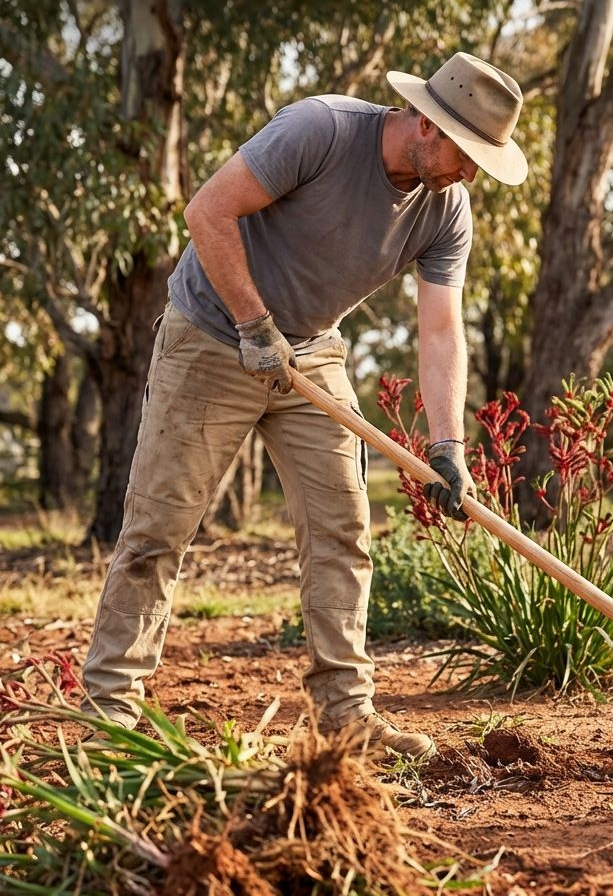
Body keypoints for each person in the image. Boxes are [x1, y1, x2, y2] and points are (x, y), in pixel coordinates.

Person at [80, 52, 528, 759]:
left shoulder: (447, 210)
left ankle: (346, 717)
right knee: (158, 531)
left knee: (343, 528)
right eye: (468, 154)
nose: (471, 172)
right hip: (209, 336)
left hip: (310, 353)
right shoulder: (319, 130)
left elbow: (442, 330)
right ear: (428, 126)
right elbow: (207, 211)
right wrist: (254, 328)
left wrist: (448, 447)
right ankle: (109, 720)